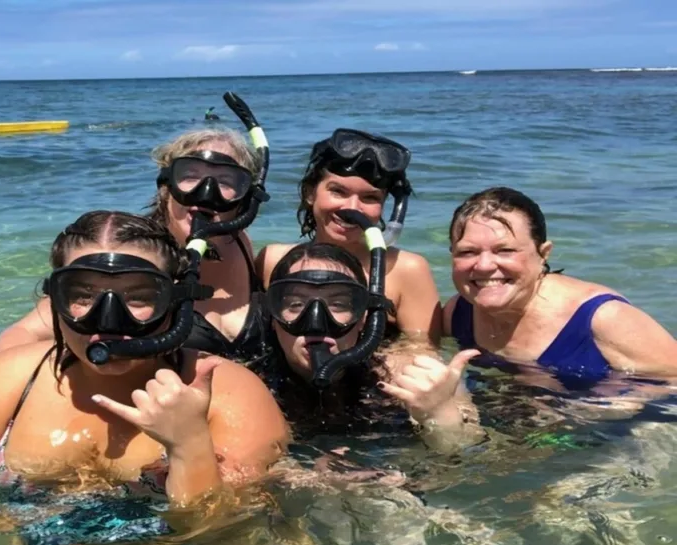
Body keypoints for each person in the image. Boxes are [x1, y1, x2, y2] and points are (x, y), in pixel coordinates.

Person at [0, 210, 289, 522]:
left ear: (175, 301)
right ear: (54, 299)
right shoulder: (5, 384)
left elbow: (221, 527)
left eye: (140, 296)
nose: (109, 318)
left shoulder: (227, 393)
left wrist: (188, 443)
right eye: (83, 295)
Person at [0, 128, 276, 371]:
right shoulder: (138, 252)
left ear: (246, 198)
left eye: (226, 181)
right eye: (190, 175)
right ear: (166, 186)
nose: (206, 192)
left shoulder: (239, 244)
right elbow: (24, 333)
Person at [444, 186, 677, 390]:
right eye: (468, 252)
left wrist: (609, 405)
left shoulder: (604, 319)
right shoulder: (457, 313)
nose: (484, 266)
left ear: (543, 254)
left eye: (505, 250)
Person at [266, 243, 484, 455]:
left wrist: (440, 412)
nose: (316, 321)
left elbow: (467, 452)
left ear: (363, 319)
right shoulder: (252, 385)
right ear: (273, 318)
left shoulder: (399, 376)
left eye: (338, 304)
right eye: (295, 304)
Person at [256, 128, 442, 347]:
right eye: (338, 191)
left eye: (370, 197)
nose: (352, 208)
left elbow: (423, 351)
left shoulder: (406, 270)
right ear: (309, 193)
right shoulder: (273, 260)